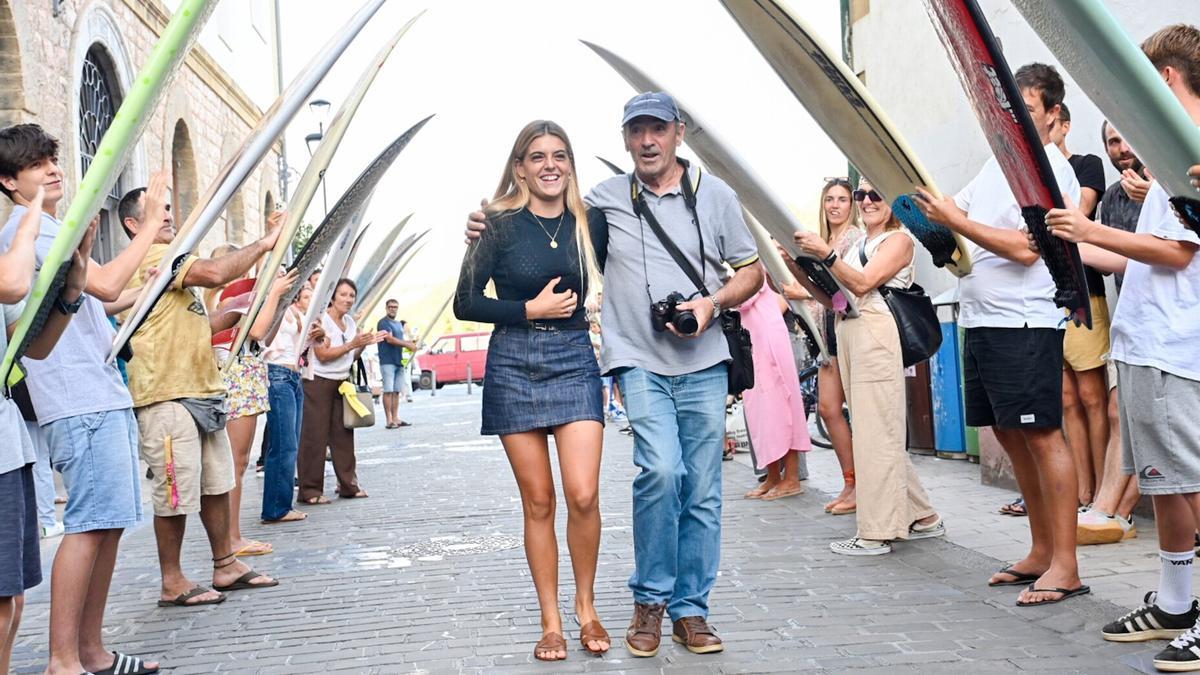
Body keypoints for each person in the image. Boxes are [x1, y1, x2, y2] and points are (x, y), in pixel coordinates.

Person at [470, 93, 764, 657]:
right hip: (636, 359)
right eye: (637, 131)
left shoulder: (714, 196)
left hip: (703, 361)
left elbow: (751, 272)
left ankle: (692, 611)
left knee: (701, 490)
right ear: (625, 139)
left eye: (658, 129)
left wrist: (711, 304)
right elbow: (529, 217)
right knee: (658, 471)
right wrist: (481, 223)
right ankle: (649, 601)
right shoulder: (602, 203)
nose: (648, 140)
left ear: (678, 133)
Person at [1042, 24, 1200, 671]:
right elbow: (1152, 260)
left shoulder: (1188, 153)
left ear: (1162, 81)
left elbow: (1178, 250)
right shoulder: (1168, 158)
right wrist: (1078, 245)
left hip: (1172, 348)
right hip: (1145, 344)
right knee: (1164, 483)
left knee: (1190, 481)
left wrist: (1089, 228)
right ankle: (1174, 601)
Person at [1, 124, 170, 675]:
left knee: (108, 521)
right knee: (89, 524)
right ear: (8, 181)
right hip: (77, 401)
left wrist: (155, 279)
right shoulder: (32, 235)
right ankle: (63, 659)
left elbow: (104, 296)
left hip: (98, 392)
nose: (52, 168)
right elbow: (104, 282)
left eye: (52, 157)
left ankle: (90, 651)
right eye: (36, 163)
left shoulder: (49, 229)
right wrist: (148, 230)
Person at [916, 63, 1085, 606]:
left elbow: (1024, 247)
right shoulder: (998, 161)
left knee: (1040, 435)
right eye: (1008, 109)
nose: (1014, 120)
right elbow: (956, 214)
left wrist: (955, 222)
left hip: (1026, 320)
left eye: (1027, 110)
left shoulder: (1049, 171)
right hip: (982, 317)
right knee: (1011, 436)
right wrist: (927, 217)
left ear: (1053, 114)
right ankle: (1039, 552)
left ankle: (1067, 566)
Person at [454, 120, 609, 661]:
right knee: (539, 501)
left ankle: (586, 606)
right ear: (519, 166)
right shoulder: (494, 225)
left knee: (583, 493)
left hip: (573, 359)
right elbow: (466, 303)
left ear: (570, 163)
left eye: (559, 155)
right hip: (513, 364)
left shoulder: (592, 223)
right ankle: (551, 621)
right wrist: (528, 309)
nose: (550, 165)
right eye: (537, 156)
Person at [120, 186, 281, 610]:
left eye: (170, 208)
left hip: (200, 390)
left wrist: (232, 316)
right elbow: (214, 273)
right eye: (158, 210)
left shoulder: (172, 263)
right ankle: (172, 581)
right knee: (175, 492)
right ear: (133, 225)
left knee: (216, 482)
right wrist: (264, 244)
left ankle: (225, 564)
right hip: (165, 395)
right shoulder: (152, 258)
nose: (169, 216)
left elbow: (194, 325)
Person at [797, 180, 944, 555]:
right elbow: (832, 298)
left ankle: (878, 532)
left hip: (875, 330)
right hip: (850, 329)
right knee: (876, 429)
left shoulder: (898, 240)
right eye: (861, 195)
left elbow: (862, 284)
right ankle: (924, 516)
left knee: (876, 433)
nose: (866, 201)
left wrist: (826, 256)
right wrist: (793, 264)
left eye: (875, 194)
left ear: (893, 203)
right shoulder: (861, 242)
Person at [0, 185, 94, 675]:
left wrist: (72, 293)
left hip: (8, 447)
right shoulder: (12, 248)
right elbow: (14, 284)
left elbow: (29, 345)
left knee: (11, 595)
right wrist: (34, 213)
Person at [201, 250, 298, 558]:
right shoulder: (230, 298)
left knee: (237, 463)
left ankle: (232, 537)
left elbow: (263, 336)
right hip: (236, 376)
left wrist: (277, 300)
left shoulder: (231, 296)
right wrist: (275, 294)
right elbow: (256, 331)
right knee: (235, 463)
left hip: (244, 372)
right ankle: (231, 538)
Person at [1077, 121, 1147, 546]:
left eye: (1126, 138)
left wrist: (1082, 238)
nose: (1120, 149)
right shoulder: (1115, 197)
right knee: (1121, 410)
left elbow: (1161, 254)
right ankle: (1111, 511)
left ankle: (1114, 511)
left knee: (1150, 418)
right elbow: (1109, 258)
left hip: (1178, 321)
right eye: (1112, 141)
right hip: (1134, 317)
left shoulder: (1172, 182)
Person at [783, 177, 861, 515]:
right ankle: (851, 481)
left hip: (852, 332)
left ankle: (864, 485)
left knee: (858, 413)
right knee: (828, 410)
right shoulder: (824, 240)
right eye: (830, 199)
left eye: (842, 199)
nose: (835, 205)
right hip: (827, 339)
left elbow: (845, 292)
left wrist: (803, 293)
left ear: (851, 205)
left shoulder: (855, 239)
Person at [1050, 102, 1110, 509]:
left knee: (1092, 396)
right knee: (1068, 399)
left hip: (1085, 292)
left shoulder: (1086, 164)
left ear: (1065, 124)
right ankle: (1084, 491)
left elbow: (1078, 214)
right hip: (1047, 298)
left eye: (1051, 124)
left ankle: (1105, 491)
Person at [296, 278, 383, 504]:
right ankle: (310, 490)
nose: (348, 299)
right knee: (314, 436)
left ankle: (348, 485)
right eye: (343, 295)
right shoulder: (321, 320)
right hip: (318, 382)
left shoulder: (350, 323)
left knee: (344, 435)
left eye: (351, 295)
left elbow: (349, 356)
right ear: (333, 297)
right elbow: (323, 356)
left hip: (341, 382)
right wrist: (352, 344)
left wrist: (363, 343)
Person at [739, 281, 810, 501]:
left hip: (770, 336)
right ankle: (772, 475)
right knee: (759, 410)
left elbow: (776, 296)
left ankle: (791, 477)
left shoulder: (764, 261)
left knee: (781, 407)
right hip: (751, 338)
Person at [261, 285, 321, 524]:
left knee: (290, 444)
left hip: (294, 375)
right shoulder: (271, 304)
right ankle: (276, 508)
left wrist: (319, 334)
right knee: (284, 445)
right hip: (278, 375)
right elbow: (264, 336)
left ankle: (280, 505)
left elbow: (304, 347)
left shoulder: (298, 312)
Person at [376, 299, 416, 428]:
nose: (393, 309)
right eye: (391, 307)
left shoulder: (399, 324)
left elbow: (398, 340)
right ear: (386, 308)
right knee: (388, 390)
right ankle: (389, 420)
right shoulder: (383, 323)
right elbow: (389, 339)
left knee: (396, 391)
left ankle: (395, 418)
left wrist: (410, 344)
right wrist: (408, 344)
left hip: (398, 360)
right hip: (387, 361)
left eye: (395, 307)